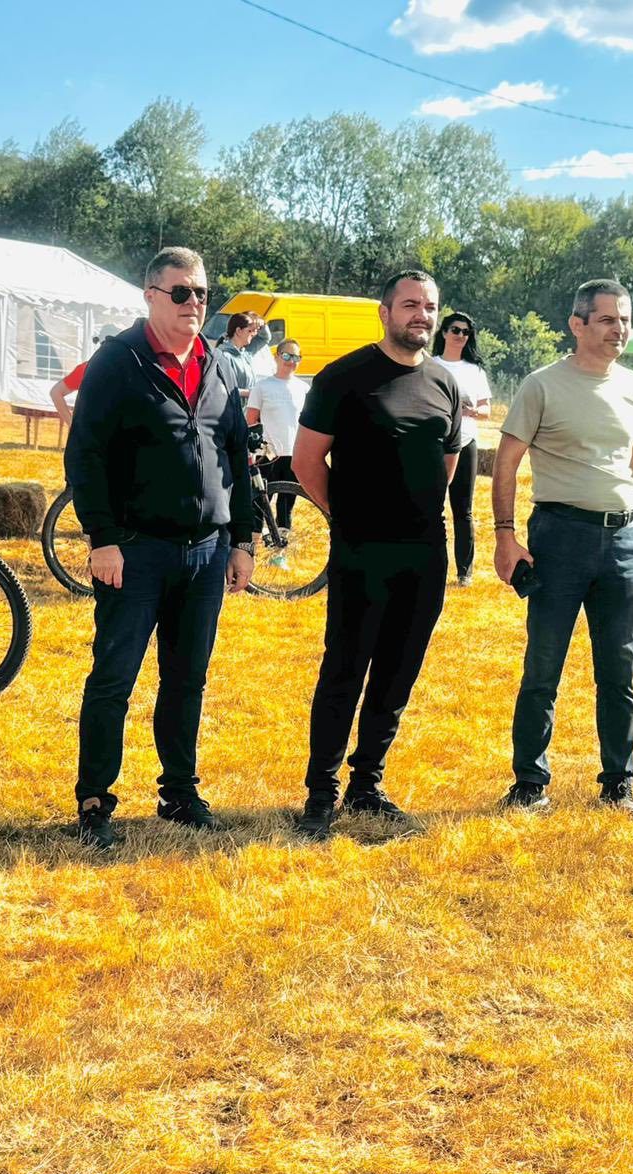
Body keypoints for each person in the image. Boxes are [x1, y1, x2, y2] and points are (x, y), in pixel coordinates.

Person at [63, 246, 255, 850]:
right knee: (114, 678)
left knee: (187, 678)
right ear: (151, 296)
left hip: (206, 553)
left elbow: (236, 458)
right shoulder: (118, 361)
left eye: (201, 293)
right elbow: (85, 454)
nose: (194, 302)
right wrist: (102, 538)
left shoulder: (218, 365)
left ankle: (179, 791)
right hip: (134, 550)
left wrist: (242, 539)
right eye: (181, 292)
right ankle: (95, 799)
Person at [292, 270, 460, 839]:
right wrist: (347, 515)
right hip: (362, 551)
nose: (421, 315)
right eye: (409, 305)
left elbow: (446, 462)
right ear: (385, 312)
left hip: (425, 553)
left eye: (429, 306)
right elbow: (306, 461)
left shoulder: (444, 383)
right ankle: (321, 791)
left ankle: (367, 783)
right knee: (345, 668)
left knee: (398, 670)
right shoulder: (344, 377)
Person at [492, 279, 633, 818]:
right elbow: (506, 462)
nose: (619, 330)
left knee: (619, 672)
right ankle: (529, 784)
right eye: (608, 320)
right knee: (543, 669)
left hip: (623, 540)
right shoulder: (542, 385)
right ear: (577, 324)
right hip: (559, 538)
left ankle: (618, 785)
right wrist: (504, 535)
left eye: (625, 320)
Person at [428, 310, 493, 587]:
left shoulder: (474, 370)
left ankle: (464, 572)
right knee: (429, 506)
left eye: (466, 332)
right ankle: (429, 566)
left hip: (465, 442)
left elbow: (487, 410)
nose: (461, 336)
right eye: (455, 330)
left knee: (463, 510)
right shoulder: (429, 365)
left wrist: (471, 411)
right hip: (433, 443)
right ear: (444, 333)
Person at [247, 338, 307, 540]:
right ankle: (253, 545)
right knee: (259, 502)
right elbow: (251, 421)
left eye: (296, 357)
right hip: (268, 454)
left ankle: (280, 548)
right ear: (277, 357)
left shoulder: (303, 388)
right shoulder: (262, 386)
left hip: (293, 454)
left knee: (287, 503)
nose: (291, 361)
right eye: (287, 356)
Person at [48, 326, 122, 425]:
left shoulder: (88, 368)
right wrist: (72, 425)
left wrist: (72, 425)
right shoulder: (87, 369)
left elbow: (56, 392)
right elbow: (56, 392)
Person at [214, 311, 263, 405]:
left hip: (245, 409)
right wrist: (247, 393)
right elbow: (220, 388)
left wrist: (261, 323)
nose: (253, 334)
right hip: (229, 410)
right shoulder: (224, 355)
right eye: (250, 331)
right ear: (238, 331)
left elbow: (265, 337)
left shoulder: (245, 354)